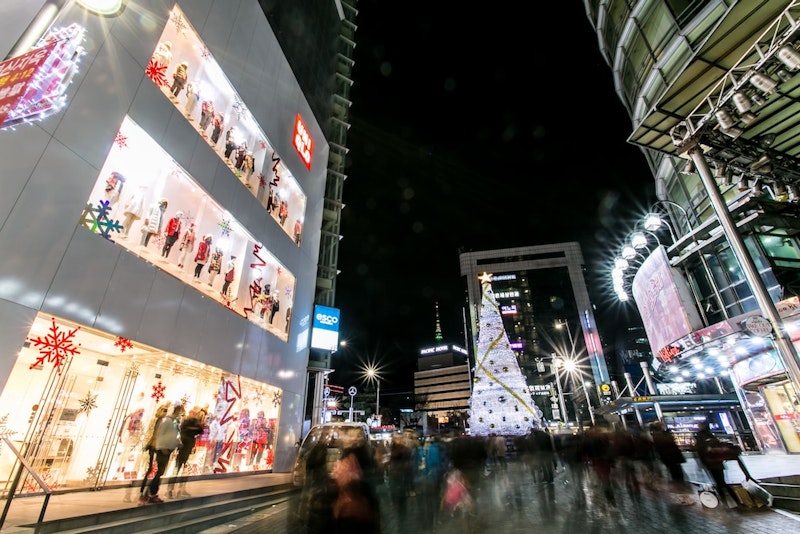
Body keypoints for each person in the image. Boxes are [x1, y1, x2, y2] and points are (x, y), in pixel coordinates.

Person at [139, 403, 181, 505]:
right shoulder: (166, 421)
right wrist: (161, 447)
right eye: (179, 411)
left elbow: (173, 434)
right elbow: (160, 435)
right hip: (161, 449)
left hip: (166, 449)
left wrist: (176, 443)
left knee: (160, 472)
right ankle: (147, 494)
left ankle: (150, 493)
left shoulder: (174, 422)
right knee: (155, 471)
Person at [695, 422, 740, 507]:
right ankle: (735, 501)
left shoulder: (701, 436)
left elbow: (701, 451)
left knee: (719, 483)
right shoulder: (711, 435)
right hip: (717, 462)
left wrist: (703, 462)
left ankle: (725, 503)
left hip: (710, 462)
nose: (698, 427)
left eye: (699, 425)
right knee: (722, 482)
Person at [168, 406, 204, 498]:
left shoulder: (186, 424)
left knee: (180, 469)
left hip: (185, 447)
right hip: (186, 447)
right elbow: (200, 431)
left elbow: (199, 431)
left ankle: (175, 489)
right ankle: (175, 489)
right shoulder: (192, 424)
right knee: (180, 468)